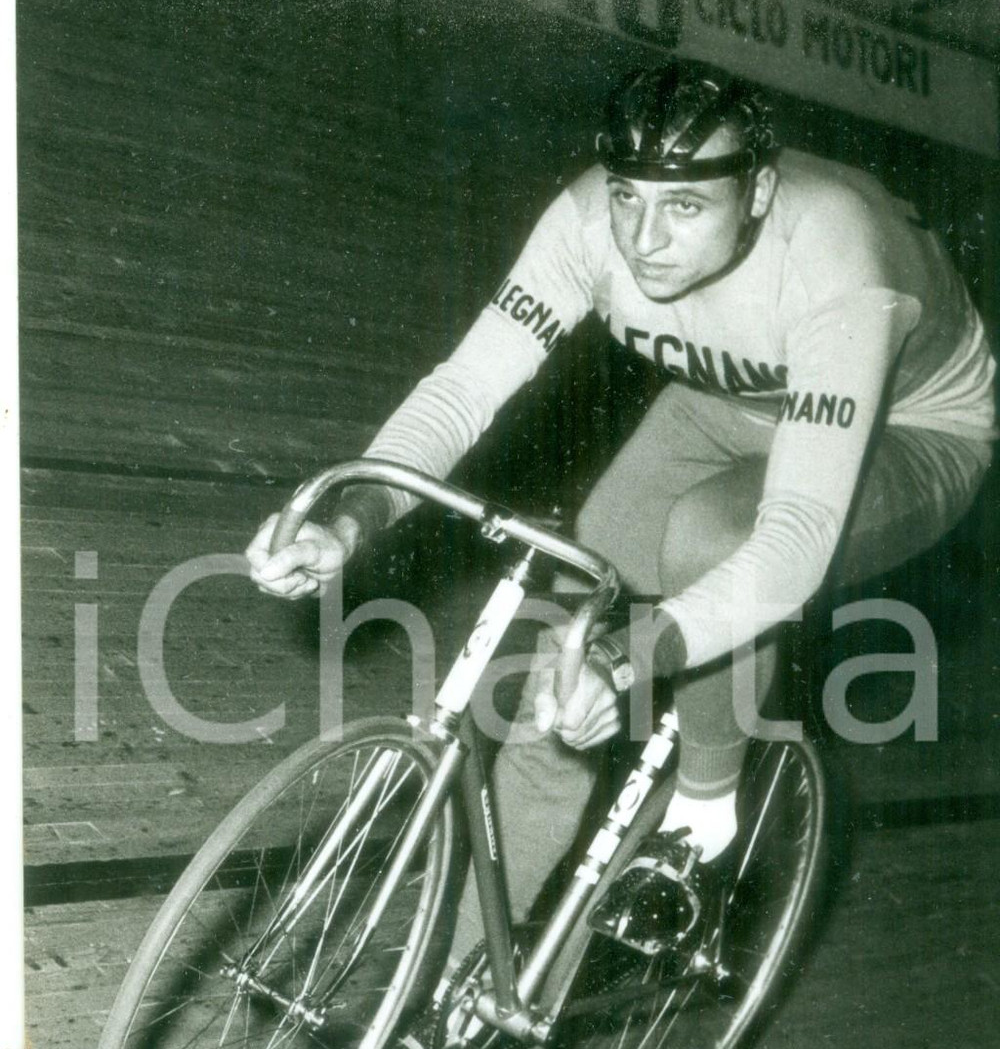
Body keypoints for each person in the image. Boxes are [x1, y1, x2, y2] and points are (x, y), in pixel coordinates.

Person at [247, 61, 995, 988]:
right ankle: (476, 969)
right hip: (729, 394)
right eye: (630, 198)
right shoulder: (586, 224)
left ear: (757, 192)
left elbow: (791, 542)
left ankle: (701, 822)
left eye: (685, 209)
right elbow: (466, 388)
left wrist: (634, 660)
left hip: (908, 429)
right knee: (573, 622)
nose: (644, 238)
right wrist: (353, 518)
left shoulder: (840, 262)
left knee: (711, 539)